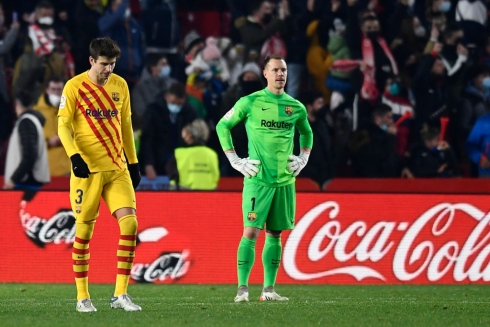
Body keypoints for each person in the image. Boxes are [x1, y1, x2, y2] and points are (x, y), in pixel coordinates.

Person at [216, 54, 313, 302]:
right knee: (250, 232)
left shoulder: (296, 107)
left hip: (284, 182)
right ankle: (242, 289)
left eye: (284, 70)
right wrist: (235, 160)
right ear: (265, 73)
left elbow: (307, 133)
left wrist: (303, 158)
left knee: (276, 233)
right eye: (276, 70)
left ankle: (268, 290)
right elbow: (222, 126)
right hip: (257, 179)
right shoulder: (250, 102)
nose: (281, 74)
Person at [58, 37, 142, 312]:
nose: (108, 70)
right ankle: (83, 297)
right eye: (104, 64)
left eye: (113, 64)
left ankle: (120, 294)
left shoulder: (120, 85)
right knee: (83, 234)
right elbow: (62, 126)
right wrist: (74, 156)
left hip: (117, 169)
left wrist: (133, 162)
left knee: (130, 225)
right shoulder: (74, 87)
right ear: (92, 61)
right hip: (88, 171)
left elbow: (126, 124)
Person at [138, 81, 197, 180]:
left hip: (180, 162)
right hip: (157, 160)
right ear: (166, 97)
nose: (176, 106)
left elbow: (192, 141)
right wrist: (148, 164)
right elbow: (147, 139)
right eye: (173, 102)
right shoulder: (153, 111)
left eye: (180, 104)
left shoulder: (190, 112)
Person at [3, 89, 50, 190]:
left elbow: (29, 155)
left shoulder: (26, 123)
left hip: (25, 183)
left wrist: (13, 180)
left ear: (16, 104)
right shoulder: (32, 121)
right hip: (28, 182)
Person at [165, 119, 220, 190]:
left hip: (184, 196)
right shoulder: (212, 154)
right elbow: (216, 176)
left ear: (190, 135)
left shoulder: (179, 153)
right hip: (209, 196)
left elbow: (171, 174)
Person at [34, 77, 70, 176]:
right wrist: (48, 142)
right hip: (45, 169)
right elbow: (32, 141)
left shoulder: (72, 110)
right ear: (47, 90)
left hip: (67, 168)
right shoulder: (37, 112)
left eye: (59, 90)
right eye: (53, 89)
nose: (56, 93)